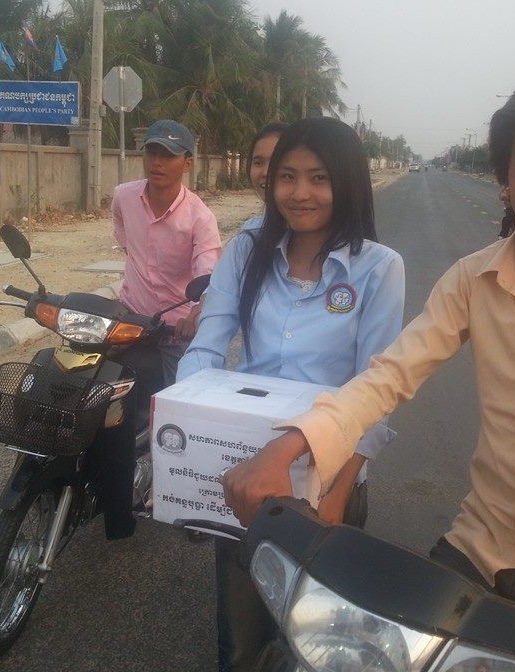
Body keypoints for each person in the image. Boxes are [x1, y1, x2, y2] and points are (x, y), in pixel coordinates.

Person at [224, 74, 515, 672]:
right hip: (482, 549)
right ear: (505, 175)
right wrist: (290, 446)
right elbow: (388, 376)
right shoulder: (471, 279)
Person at [178, 117, 406, 671]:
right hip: (250, 467)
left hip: (330, 471)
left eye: (319, 178)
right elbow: (207, 346)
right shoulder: (246, 249)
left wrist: (336, 495)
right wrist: (184, 431)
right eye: (287, 177)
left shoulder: (379, 268)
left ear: (346, 182)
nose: (300, 193)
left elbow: (373, 391)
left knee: (315, 639)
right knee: (240, 635)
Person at [97, 119, 222, 540]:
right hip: (131, 319)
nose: (158, 162)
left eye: (169, 155)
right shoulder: (124, 196)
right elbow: (122, 236)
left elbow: (209, 274)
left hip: (175, 329)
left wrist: (196, 311)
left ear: (187, 162)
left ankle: (193, 502)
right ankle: (109, 491)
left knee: (184, 418)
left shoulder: (200, 217)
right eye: (152, 152)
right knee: (102, 395)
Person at [241, 122, 289, 231]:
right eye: (258, 163)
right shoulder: (250, 231)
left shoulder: (313, 234)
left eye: (276, 162)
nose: (265, 173)